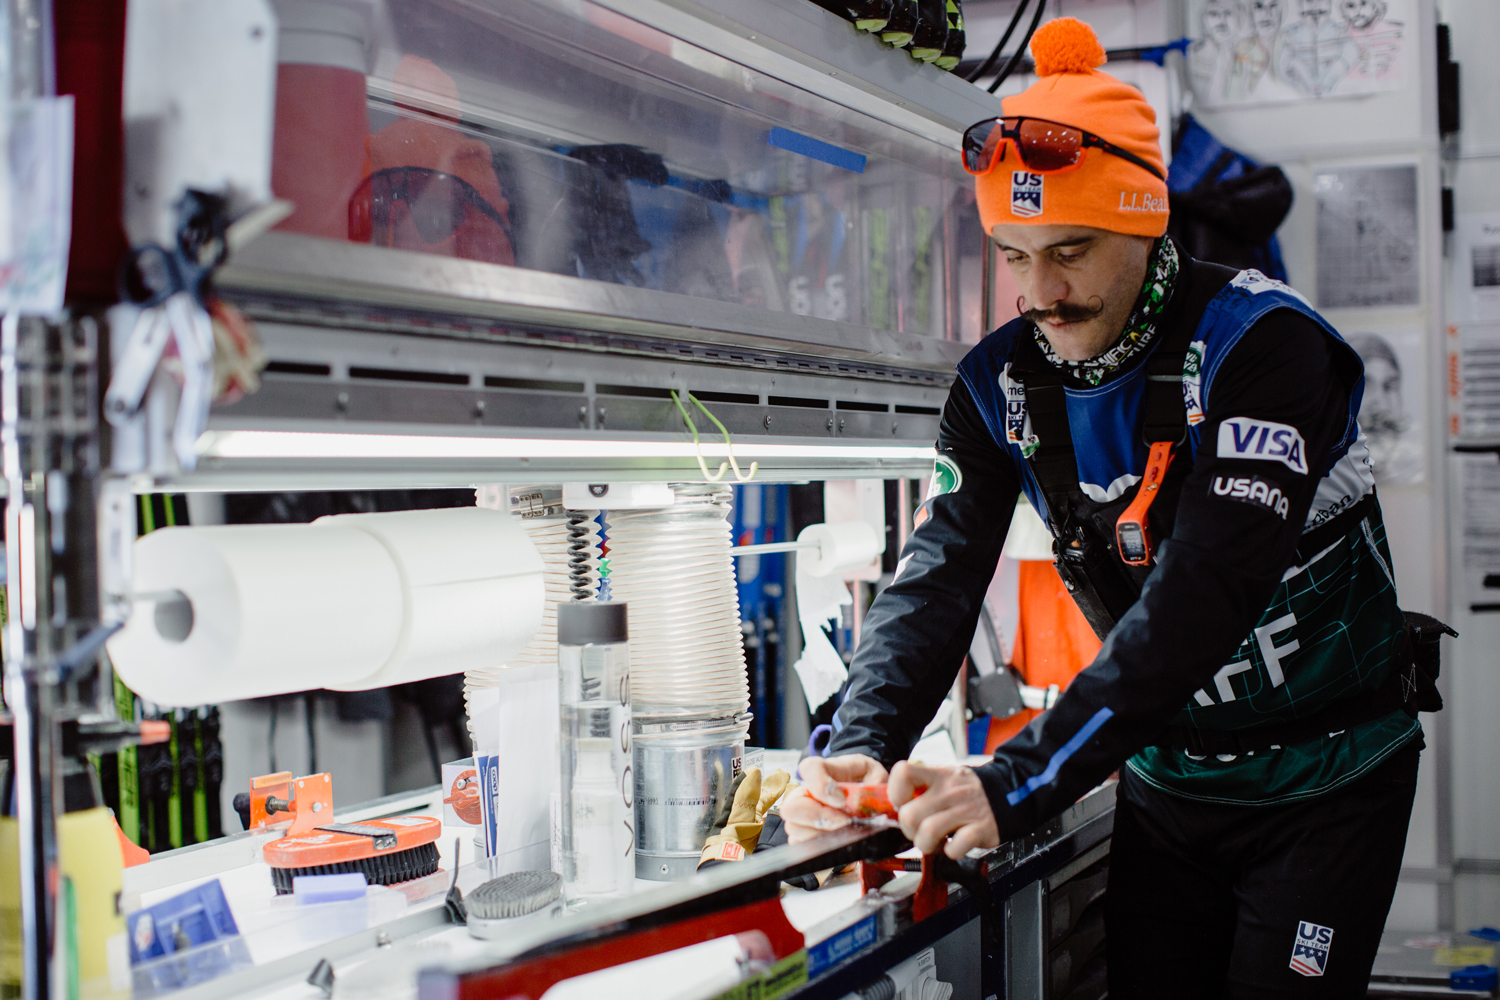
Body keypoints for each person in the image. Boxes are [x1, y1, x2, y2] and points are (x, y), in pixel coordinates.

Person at [782, 17, 1425, 998]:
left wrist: (1024, 779)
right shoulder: (998, 385)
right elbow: (939, 576)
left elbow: (1209, 589)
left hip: (1325, 787)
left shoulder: (1266, 348)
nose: (1041, 291)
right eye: (1013, 253)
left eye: (1071, 250)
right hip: (1169, 786)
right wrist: (858, 749)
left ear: (1144, 217)